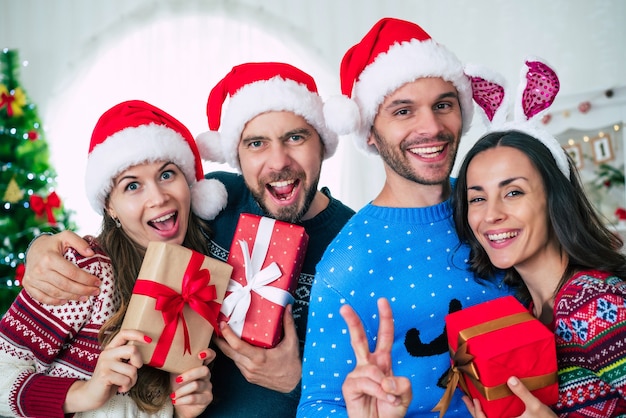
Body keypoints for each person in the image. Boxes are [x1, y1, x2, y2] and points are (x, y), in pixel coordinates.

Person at [21, 62, 355, 417]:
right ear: (236, 154)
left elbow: (384, 393)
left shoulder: (358, 243)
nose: (278, 161)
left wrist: (295, 380)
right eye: (256, 143)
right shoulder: (217, 201)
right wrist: (40, 247)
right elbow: (132, 220)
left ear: (322, 141)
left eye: (296, 136)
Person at [297, 17, 511, 417]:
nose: (431, 127)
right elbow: (319, 405)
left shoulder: (500, 209)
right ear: (370, 132)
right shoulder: (346, 264)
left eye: (443, 105)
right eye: (403, 111)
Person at [0, 100, 228, 417]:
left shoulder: (199, 279)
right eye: (132, 185)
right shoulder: (87, 272)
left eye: (166, 174)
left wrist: (182, 406)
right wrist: (84, 393)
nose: (159, 197)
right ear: (110, 207)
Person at [452, 59, 626, 417]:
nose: (491, 214)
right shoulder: (526, 310)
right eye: (477, 198)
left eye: (513, 192)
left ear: (554, 199)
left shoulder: (596, 306)